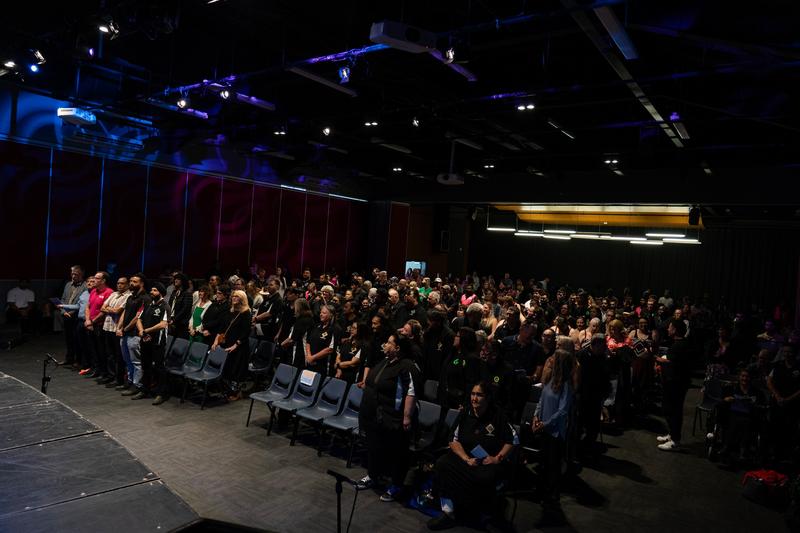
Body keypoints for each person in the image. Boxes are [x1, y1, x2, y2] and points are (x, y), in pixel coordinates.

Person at [427, 381, 518, 530]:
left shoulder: (498, 415)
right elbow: (453, 440)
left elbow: (513, 440)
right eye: (473, 394)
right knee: (442, 464)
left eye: (479, 395)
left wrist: (497, 458)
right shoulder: (466, 412)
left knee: (486, 477)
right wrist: (466, 458)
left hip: (487, 460)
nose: (474, 398)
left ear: (488, 398)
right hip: (467, 458)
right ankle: (448, 512)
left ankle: (483, 514)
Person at [356, 334, 420, 503]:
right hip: (375, 416)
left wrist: (406, 417)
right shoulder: (385, 361)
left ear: (397, 348)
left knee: (396, 453)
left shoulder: (407, 366)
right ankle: (373, 475)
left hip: (393, 418)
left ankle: (396, 485)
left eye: (389, 343)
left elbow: (411, 392)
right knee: (374, 447)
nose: (385, 344)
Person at [532, 348, 575, 524]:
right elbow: (542, 400)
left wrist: (545, 423)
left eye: (553, 358)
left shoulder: (566, 384)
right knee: (543, 463)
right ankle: (542, 491)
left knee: (553, 466)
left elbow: (562, 411)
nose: (549, 359)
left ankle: (551, 496)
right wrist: (536, 416)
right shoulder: (549, 379)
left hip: (555, 432)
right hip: (543, 428)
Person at [655, 319, 692, 451]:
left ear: (675, 330)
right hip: (677, 383)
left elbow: (672, 364)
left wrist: (658, 359)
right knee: (671, 409)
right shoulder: (681, 344)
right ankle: (672, 434)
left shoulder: (678, 345)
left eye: (670, 328)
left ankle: (675, 440)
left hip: (675, 384)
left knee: (673, 410)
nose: (668, 329)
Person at [132, 282, 171, 405]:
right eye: (151, 290)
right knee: (145, 365)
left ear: (160, 292)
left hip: (158, 342)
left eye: (154, 290)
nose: (151, 292)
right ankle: (145, 389)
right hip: (145, 340)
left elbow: (163, 324)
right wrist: (142, 331)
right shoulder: (148, 304)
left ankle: (161, 393)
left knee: (159, 367)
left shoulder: (165, 306)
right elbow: (139, 319)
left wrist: (146, 331)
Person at [212, 289, 252, 401]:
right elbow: (222, 328)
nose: (234, 298)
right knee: (228, 369)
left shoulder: (246, 313)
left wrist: (236, 345)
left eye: (237, 296)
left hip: (240, 347)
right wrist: (216, 341)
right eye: (233, 296)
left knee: (236, 370)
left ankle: (237, 392)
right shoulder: (230, 311)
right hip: (227, 344)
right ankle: (228, 390)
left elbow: (246, 333)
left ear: (242, 299)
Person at [577, 334, 610, 455]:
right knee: (579, 423)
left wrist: (605, 393)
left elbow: (606, 376)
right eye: (602, 345)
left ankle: (588, 448)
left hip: (596, 396)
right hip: (582, 395)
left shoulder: (603, 357)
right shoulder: (582, 355)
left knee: (594, 425)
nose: (604, 347)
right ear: (595, 345)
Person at [118, 273, 150, 395]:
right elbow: (125, 312)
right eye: (130, 281)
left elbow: (137, 317)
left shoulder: (145, 298)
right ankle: (130, 382)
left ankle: (138, 385)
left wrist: (125, 328)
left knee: (136, 361)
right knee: (127, 360)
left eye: (134, 281)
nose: (131, 283)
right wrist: (119, 327)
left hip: (134, 334)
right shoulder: (130, 297)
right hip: (125, 333)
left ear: (141, 283)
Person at [100, 277, 131, 387]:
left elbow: (119, 310)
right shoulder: (113, 294)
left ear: (127, 285)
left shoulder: (129, 296)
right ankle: (111, 375)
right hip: (107, 327)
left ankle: (119, 379)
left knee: (119, 356)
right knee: (110, 354)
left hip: (116, 329)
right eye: (118, 283)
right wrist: (111, 309)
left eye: (122, 283)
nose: (119, 285)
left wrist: (109, 309)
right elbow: (102, 307)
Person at [57, 266, 87, 366]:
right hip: (66, 315)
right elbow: (63, 299)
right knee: (68, 338)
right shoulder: (68, 285)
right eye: (72, 274)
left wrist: (71, 312)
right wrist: (63, 311)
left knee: (77, 339)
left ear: (82, 274)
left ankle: (78, 360)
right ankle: (69, 358)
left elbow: (83, 303)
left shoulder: (85, 286)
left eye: (76, 274)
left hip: (77, 316)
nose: (73, 276)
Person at [304, 304, 338, 375]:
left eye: (324, 313)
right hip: (309, 362)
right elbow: (308, 342)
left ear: (331, 315)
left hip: (322, 366)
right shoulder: (317, 326)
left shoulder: (334, 329)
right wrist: (309, 356)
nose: (321, 314)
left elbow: (330, 349)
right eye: (321, 312)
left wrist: (313, 357)